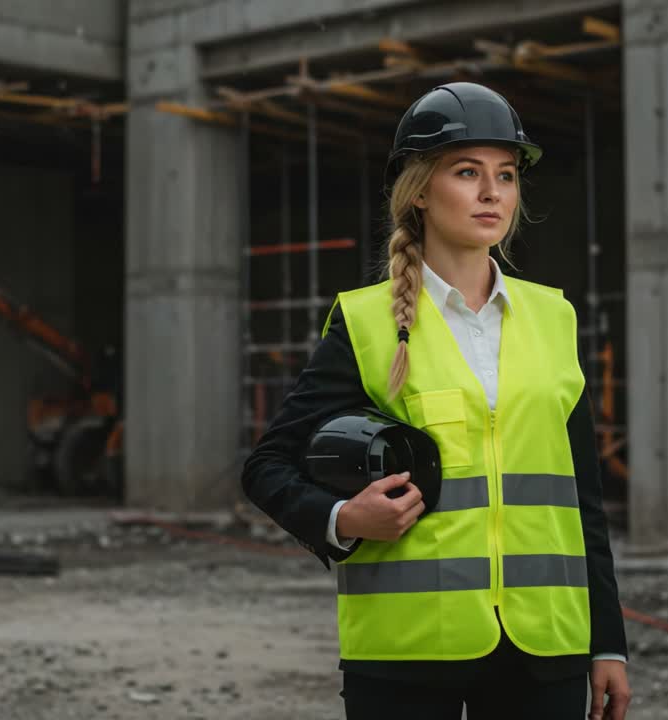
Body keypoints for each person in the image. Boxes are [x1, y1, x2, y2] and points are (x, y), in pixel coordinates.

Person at [241, 82, 631, 720]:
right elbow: (267, 467)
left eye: (506, 176)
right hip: (407, 653)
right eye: (467, 172)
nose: (491, 193)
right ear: (420, 189)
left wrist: (607, 642)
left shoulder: (553, 317)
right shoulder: (365, 324)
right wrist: (343, 518)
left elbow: (581, 499)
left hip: (546, 647)